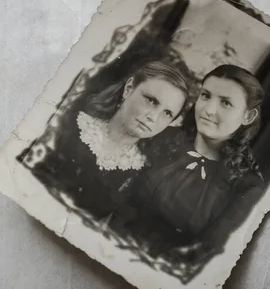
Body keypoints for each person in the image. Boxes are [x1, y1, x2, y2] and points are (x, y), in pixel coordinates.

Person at [124, 64, 266, 263]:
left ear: (248, 116)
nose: (208, 110)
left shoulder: (247, 187)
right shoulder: (159, 138)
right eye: (206, 96)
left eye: (225, 103)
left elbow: (207, 255)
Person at [29, 61, 192, 221]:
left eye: (167, 113)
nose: (153, 117)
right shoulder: (65, 124)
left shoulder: (141, 178)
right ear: (129, 89)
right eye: (151, 101)